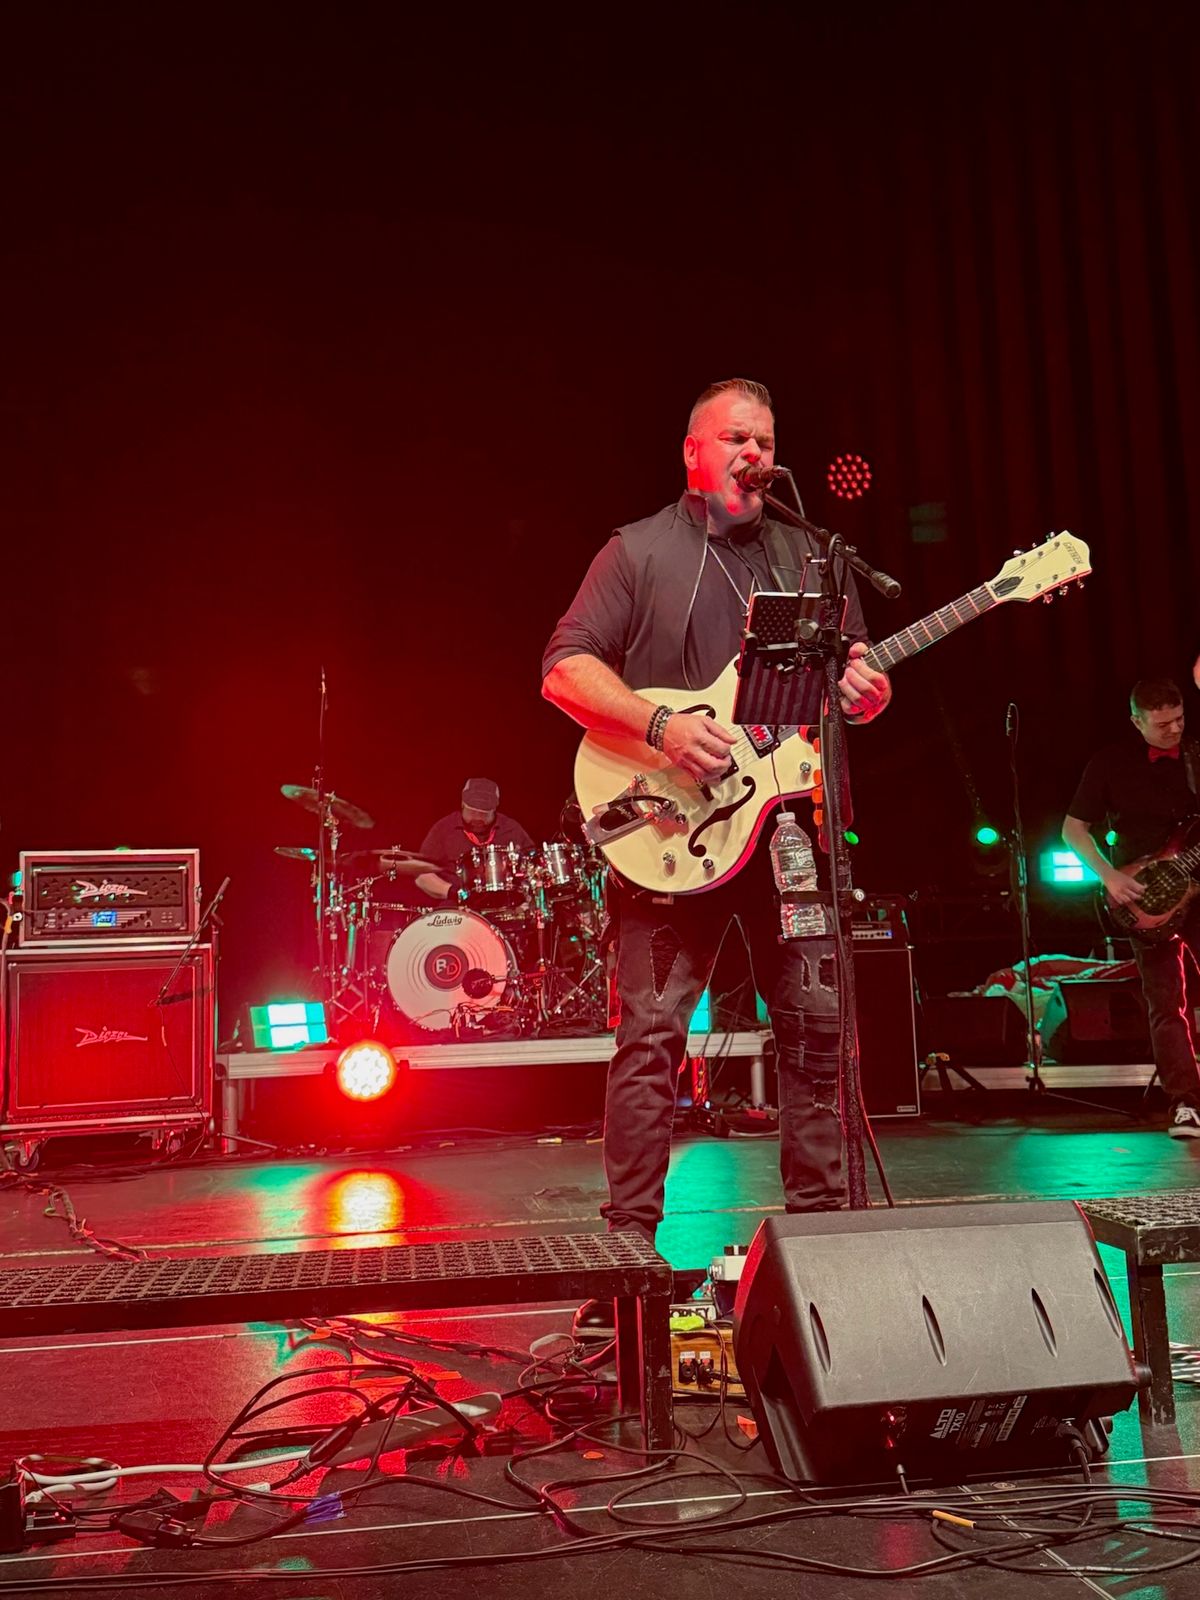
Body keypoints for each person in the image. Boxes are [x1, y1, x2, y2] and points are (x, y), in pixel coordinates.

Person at [541, 377, 892, 1251]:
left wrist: (865, 695)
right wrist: (660, 726)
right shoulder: (637, 551)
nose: (754, 454)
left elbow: (844, 677)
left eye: (765, 441)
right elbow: (563, 670)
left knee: (815, 1033)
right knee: (651, 1038)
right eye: (736, 438)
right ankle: (628, 1249)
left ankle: (825, 1247)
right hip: (672, 827)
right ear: (693, 453)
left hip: (787, 831)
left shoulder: (811, 556)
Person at [1062, 678, 1200, 1137]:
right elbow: (1073, 830)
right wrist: (1108, 876)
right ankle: (1185, 1103)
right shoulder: (1110, 763)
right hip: (1147, 896)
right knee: (1166, 1003)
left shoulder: (1196, 756)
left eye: (1179, 719)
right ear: (1136, 721)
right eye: (1162, 724)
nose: (1174, 730)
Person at [414, 779, 535, 902]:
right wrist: (453, 892)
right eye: (472, 811)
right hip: (456, 907)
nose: (477, 818)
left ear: (494, 809)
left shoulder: (511, 829)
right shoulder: (444, 829)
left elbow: (534, 866)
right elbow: (421, 875)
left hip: (506, 905)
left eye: (483, 813)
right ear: (462, 804)